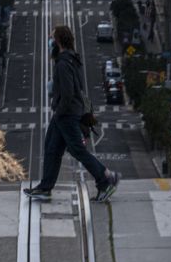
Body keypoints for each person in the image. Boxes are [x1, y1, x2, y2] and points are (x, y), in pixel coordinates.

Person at [24, 25, 121, 202]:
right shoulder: (72, 59)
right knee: (52, 148)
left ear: (59, 41)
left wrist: (60, 110)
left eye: (52, 38)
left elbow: (68, 93)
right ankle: (45, 187)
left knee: (77, 150)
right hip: (67, 113)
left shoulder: (62, 63)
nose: (50, 41)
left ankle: (105, 180)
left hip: (66, 114)